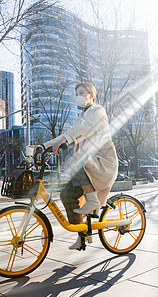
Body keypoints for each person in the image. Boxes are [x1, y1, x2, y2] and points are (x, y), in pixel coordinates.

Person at [35, 82, 118, 250]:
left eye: (82, 92)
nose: (78, 95)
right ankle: (83, 235)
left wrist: (65, 141)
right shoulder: (82, 115)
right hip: (89, 166)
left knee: (73, 154)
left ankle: (93, 200)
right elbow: (69, 133)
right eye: (76, 93)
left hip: (103, 163)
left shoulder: (98, 111)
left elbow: (84, 129)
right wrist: (44, 146)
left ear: (91, 94)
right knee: (66, 194)